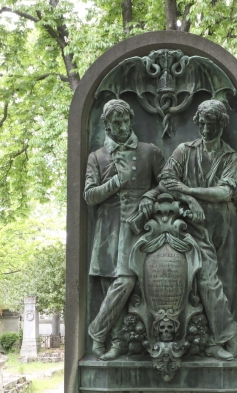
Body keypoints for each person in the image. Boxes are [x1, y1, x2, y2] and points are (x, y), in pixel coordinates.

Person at [159, 99, 237, 359]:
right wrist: (190, 199)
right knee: (207, 279)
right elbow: (165, 179)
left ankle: (213, 336)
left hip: (225, 223)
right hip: (194, 225)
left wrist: (189, 190)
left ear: (221, 124)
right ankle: (224, 336)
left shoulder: (231, 157)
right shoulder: (185, 150)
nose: (206, 129)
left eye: (212, 124)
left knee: (226, 283)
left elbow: (225, 191)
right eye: (202, 124)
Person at [84, 99, 165, 360]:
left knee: (127, 279)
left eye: (124, 121)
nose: (121, 126)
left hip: (137, 227)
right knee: (110, 283)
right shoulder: (96, 157)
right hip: (108, 228)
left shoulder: (148, 151)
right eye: (115, 122)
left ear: (131, 120)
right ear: (106, 125)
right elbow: (89, 195)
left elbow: (166, 183)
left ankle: (97, 331)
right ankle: (116, 342)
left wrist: (149, 197)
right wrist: (116, 182)